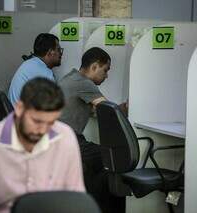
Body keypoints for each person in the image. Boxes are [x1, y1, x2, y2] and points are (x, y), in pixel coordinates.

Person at [0, 78, 85, 213]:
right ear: (19, 108)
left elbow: (75, 200)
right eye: (36, 121)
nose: (42, 130)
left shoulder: (65, 138)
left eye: (51, 122)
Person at [59, 47, 127, 213]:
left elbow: (96, 110)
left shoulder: (70, 78)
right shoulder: (84, 83)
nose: (107, 75)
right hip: (67, 141)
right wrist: (129, 106)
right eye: (106, 70)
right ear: (95, 66)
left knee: (95, 165)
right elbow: (109, 111)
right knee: (114, 158)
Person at [8, 33, 63, 106]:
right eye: (58, 50)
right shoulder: (45, 74)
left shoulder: (29, 63)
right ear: (50, 53)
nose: (61, 54)